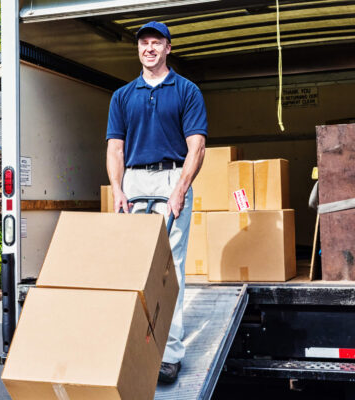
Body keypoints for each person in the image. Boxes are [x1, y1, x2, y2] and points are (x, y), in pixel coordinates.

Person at [105, 21, 207, 384]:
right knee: (132, 268)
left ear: (168, 48)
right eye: (144, 43)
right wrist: (117, 189)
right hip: (133, 181)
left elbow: (197, 145)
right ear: (138, 49)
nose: (149, 48)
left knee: (170, 268)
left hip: (171, 178)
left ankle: (169, 354)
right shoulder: (123, 95)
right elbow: (115, 148)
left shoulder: (187, 90)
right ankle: (132, 346)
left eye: (156, 43)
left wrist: (181, 188)